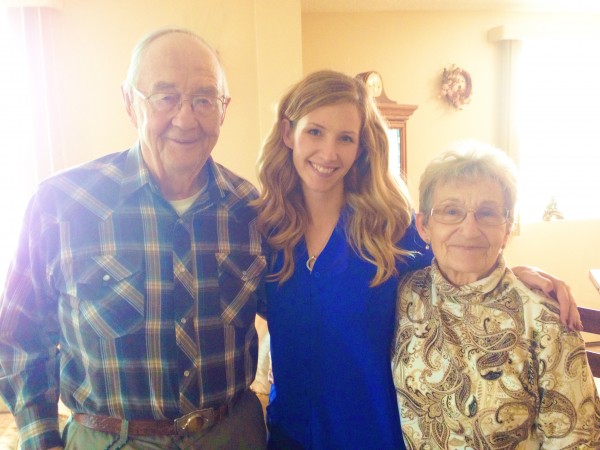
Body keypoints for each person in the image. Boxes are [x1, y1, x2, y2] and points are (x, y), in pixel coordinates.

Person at [253, 70, 581, 450]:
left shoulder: (392, 230)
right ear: (287, 132)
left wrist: (515, 274)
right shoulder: (264, 232)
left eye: (345, 138)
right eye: (315, 132)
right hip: (289, 435)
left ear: (361, 147)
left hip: (374, 437)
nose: (329, 153)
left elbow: (459, 270)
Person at [0, 28, 267, 449]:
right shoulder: (61, 205)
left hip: (233, 436)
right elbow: (19, 340)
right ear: (130, 103)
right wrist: (40, 440)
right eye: (165, 97)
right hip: (108, 439)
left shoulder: (250, 210)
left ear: (223, 109)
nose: (186, 119)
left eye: (203, 99)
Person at [392, 141, 600, 449]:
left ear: (507, 227)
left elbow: (578, 441)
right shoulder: (404, 293)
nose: (469, 229)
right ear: (423, 225)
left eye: (487, 213)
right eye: (451, 211)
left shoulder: (546, 321)